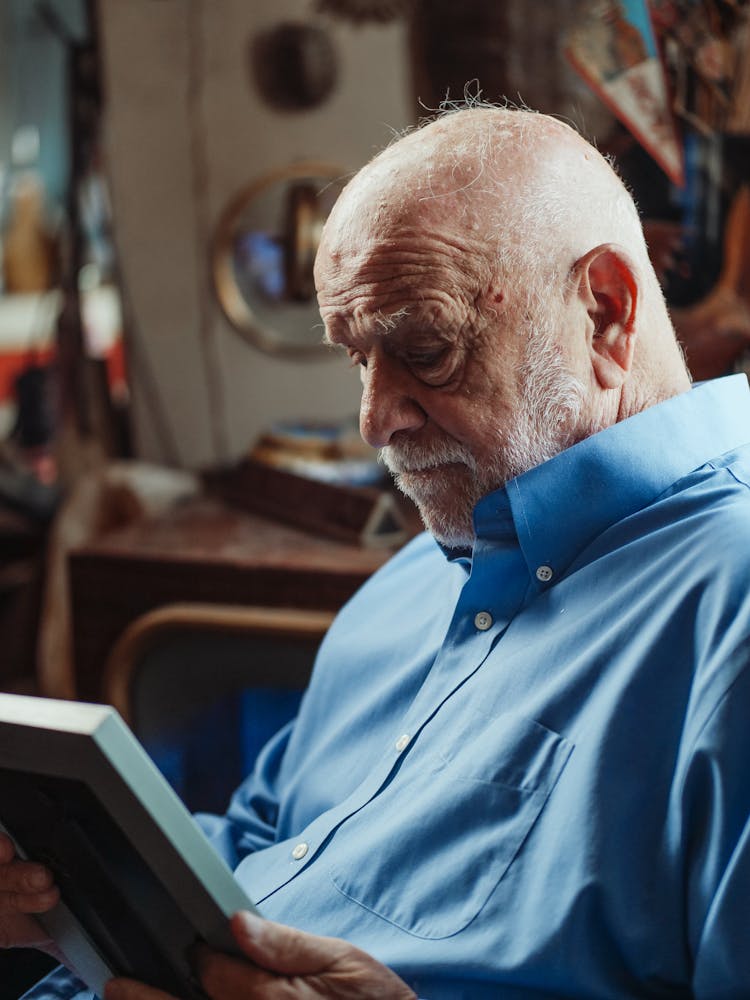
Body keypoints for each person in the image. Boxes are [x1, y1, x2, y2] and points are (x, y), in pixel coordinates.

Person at [5, 103, 750, 998]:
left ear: (604, 312)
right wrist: (70, 888)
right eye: (359, 358)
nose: (374, 421)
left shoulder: (728, 609)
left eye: (425, 348)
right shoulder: (418, 576)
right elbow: (266, 844)